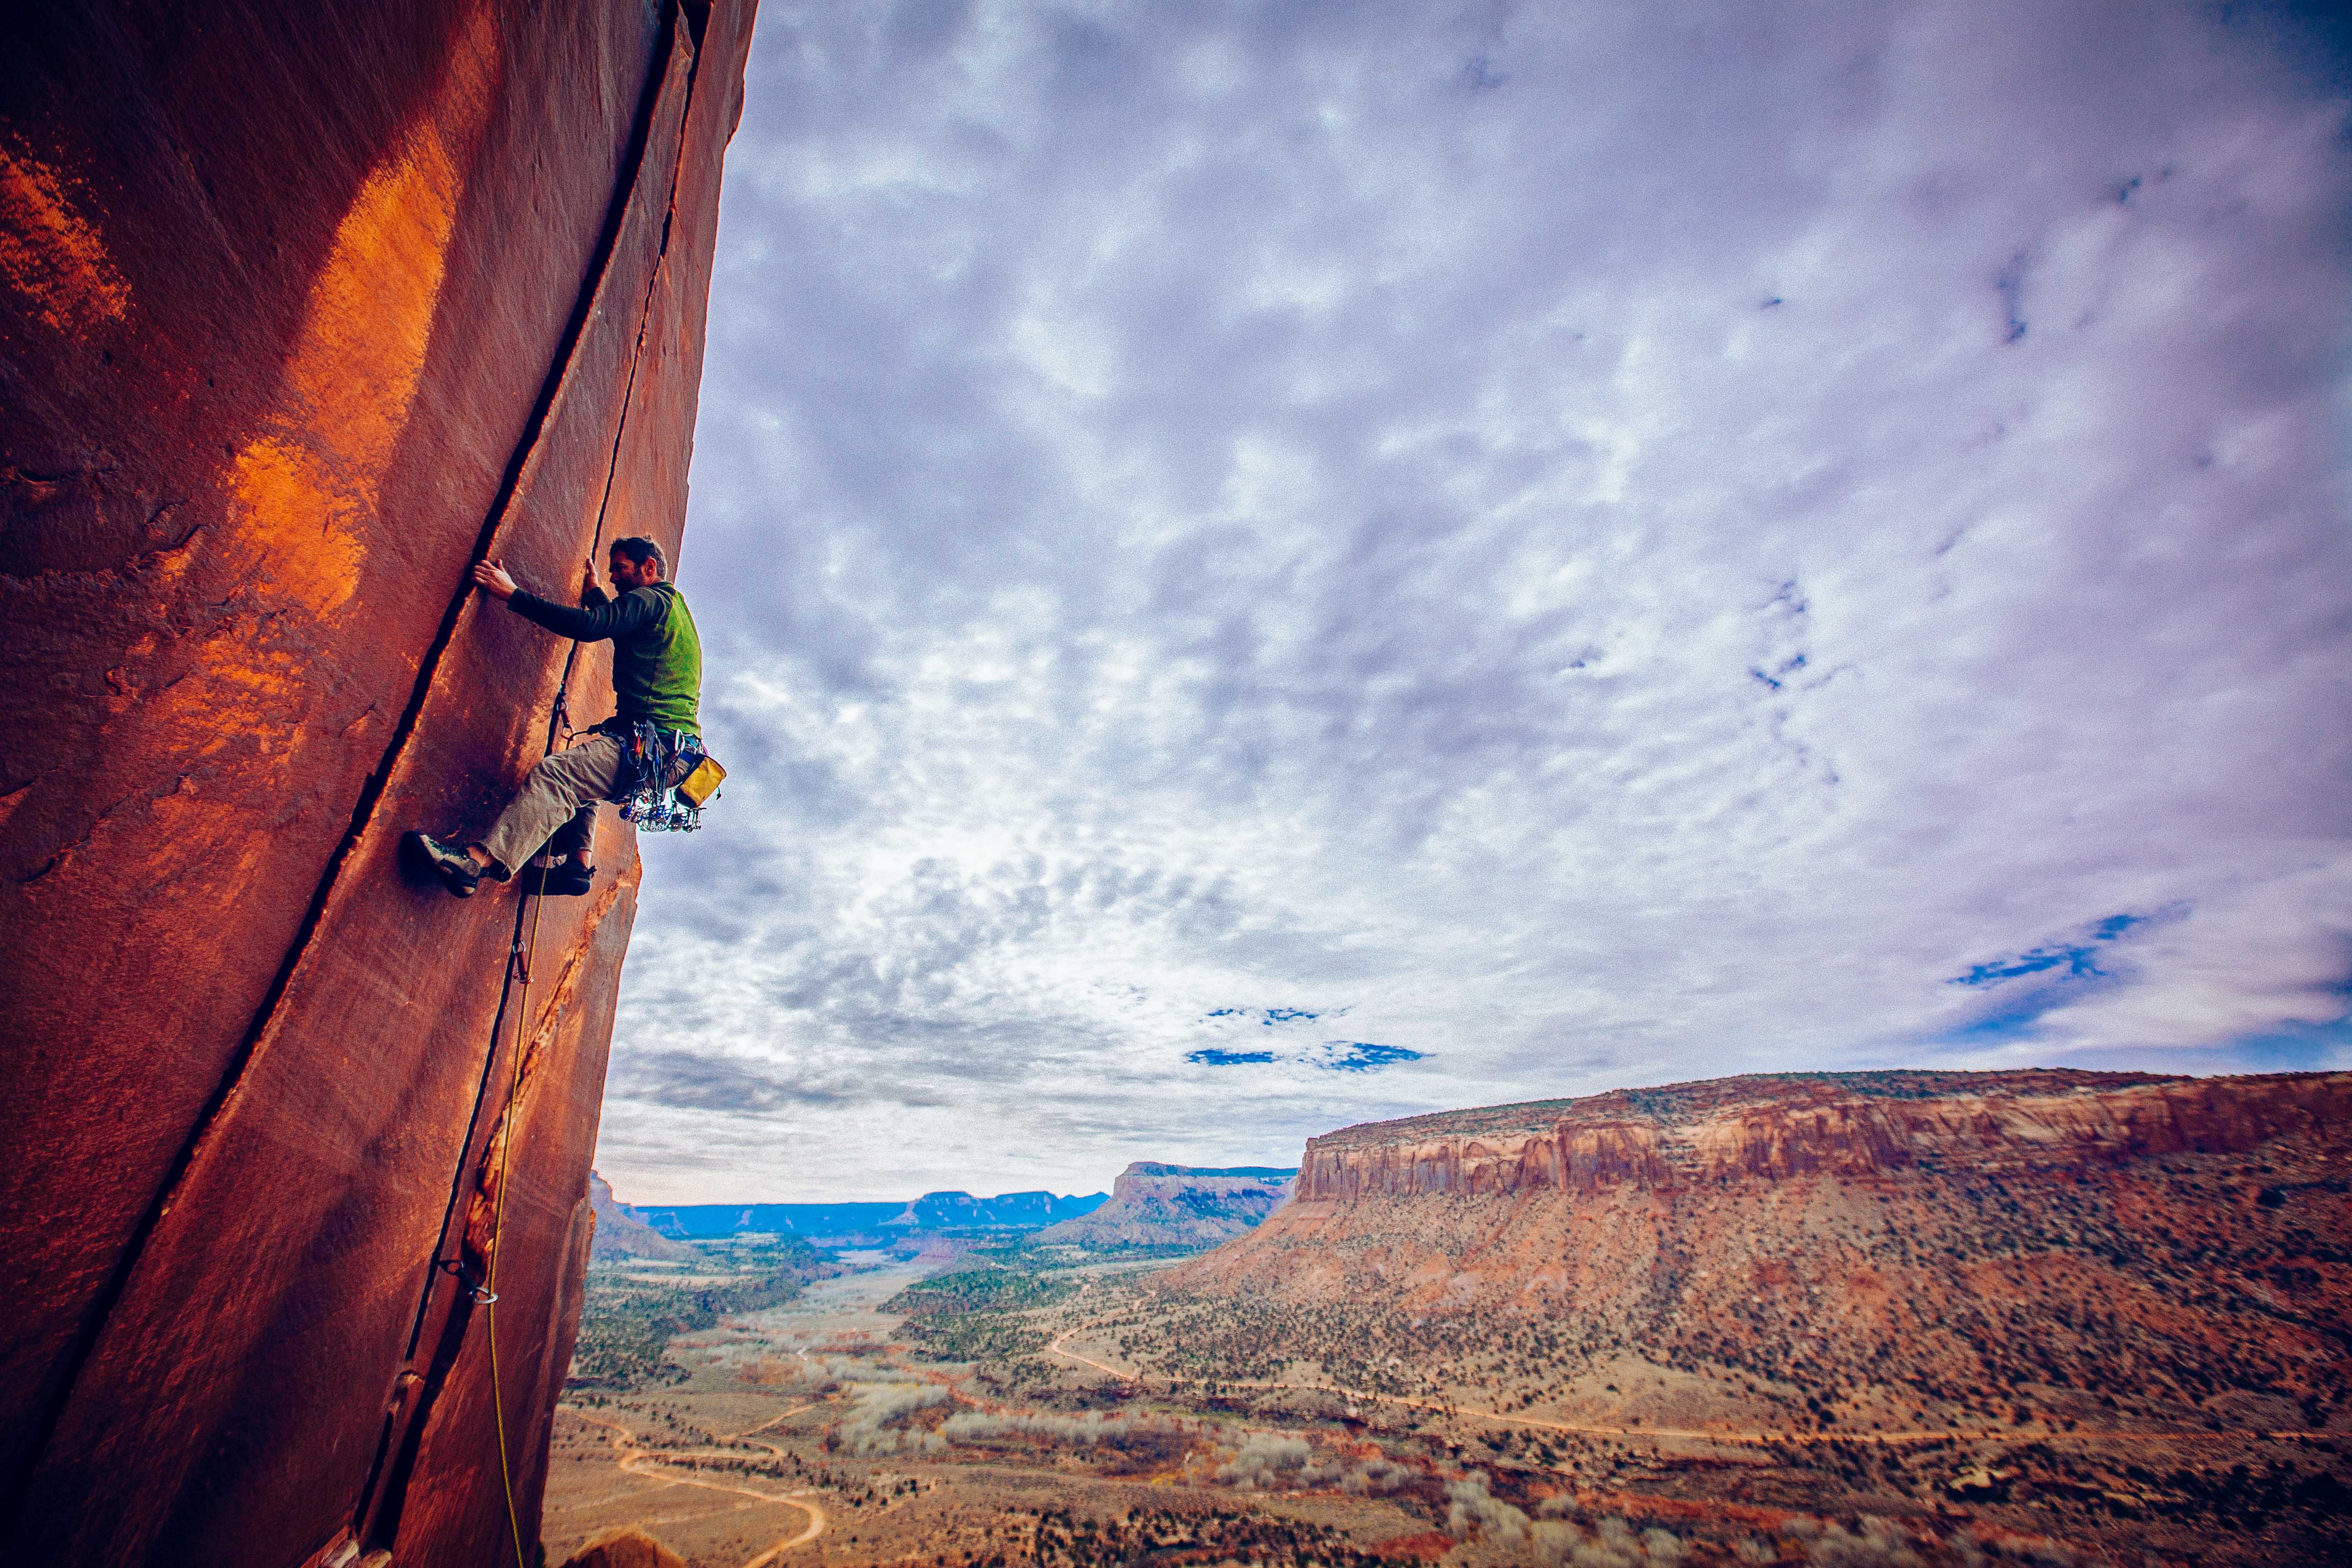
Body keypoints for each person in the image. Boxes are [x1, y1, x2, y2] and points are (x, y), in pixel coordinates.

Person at [403, 535, 702, 899]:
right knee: (584, 783)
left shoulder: (650, 599)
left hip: (654, 748)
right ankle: (577, 866)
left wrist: (511, 594)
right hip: (674, 756)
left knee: (556, 776)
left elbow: (592, 628)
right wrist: (594, 594)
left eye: (621, 569)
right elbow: (618, 631)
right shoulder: (671, 609)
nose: (613, 578)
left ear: (649, 568)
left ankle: (473, 863)